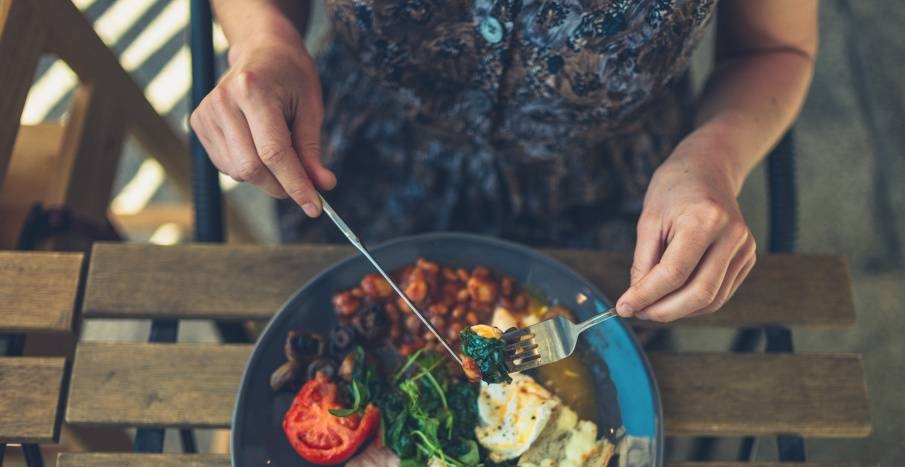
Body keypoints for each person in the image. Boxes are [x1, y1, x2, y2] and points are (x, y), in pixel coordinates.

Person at [192, 0, 817, 323]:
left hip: (619, 214)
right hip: (357, 181)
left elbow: (775, 47)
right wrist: (263, 40)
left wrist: (713, 156)